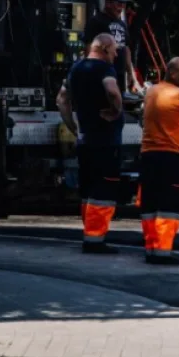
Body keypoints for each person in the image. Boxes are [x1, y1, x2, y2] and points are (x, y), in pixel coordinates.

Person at [56, 33, 123, 254]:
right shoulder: (104, 69)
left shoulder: (76, 69)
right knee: (103, 190)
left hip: (85, 139)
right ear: (104, 48)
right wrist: (116, 111)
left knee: (88, 190)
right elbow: (112, 91)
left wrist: (73, 126)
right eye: (113, 51)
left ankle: (89, 233)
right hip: (105, 140)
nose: (115, 55)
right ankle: (95, 239)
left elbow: (62, 100)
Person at [137, 57, 179, 265]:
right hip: (171, 157)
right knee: (168, 206)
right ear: (173, 73)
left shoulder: (152, 92)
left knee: (150, 204)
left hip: (148, 155)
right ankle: (163, 252)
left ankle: (151, 248)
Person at [83, 0, 141, 98]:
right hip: (102, 71)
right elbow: (89, 46)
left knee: (118, 100)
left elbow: (126, 48)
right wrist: (89, 70)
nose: (121, 7)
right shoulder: (96, 21)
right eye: (118, 4)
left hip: (119, 72)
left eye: (123, 4)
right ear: (108, 3)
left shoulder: (122, 24)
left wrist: (131, 73)